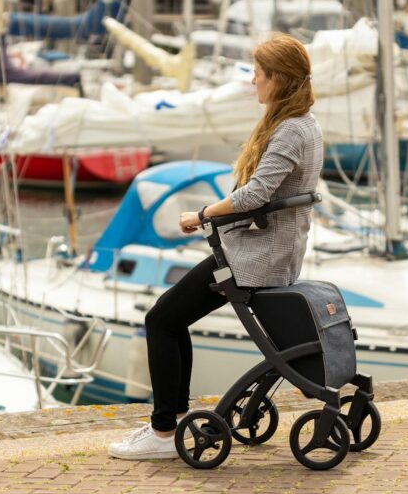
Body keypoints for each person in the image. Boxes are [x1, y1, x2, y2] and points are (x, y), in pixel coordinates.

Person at [108, 33, 323, 460]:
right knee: (172, 319)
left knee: (161, 320)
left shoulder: (289, 131)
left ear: (279, 79)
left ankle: (164, 432)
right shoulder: (306, 124)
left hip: (254, 260)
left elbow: (254, 195)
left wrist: (202, 214)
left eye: (259, 74)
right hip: (268, 254)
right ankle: (171, 421)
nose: (254, 81)